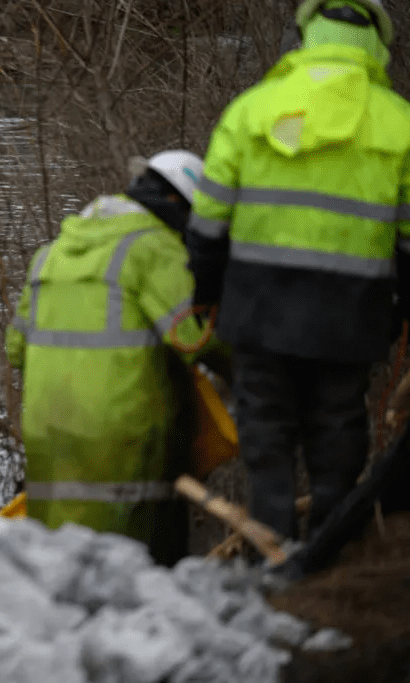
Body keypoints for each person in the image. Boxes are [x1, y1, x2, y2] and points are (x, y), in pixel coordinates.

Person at [186, 0, 410, 542]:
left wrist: (206, 292)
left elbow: (210, 217)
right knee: (338, 429)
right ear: (378, 42)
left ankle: (272, 550)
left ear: (305, 33)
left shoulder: (252, 110)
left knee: (267, 432)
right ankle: (330, 550)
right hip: (351, 314)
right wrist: (400, 308)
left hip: (258, 308)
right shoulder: (399, 123)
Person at [6, 150, 222, 565]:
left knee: (56, 563)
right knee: (137, 567)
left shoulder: (50, 254)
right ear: (182, 207)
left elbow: (16, 351)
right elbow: (196, 338)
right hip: (124, 433)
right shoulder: (155, 249)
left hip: (48, 430)